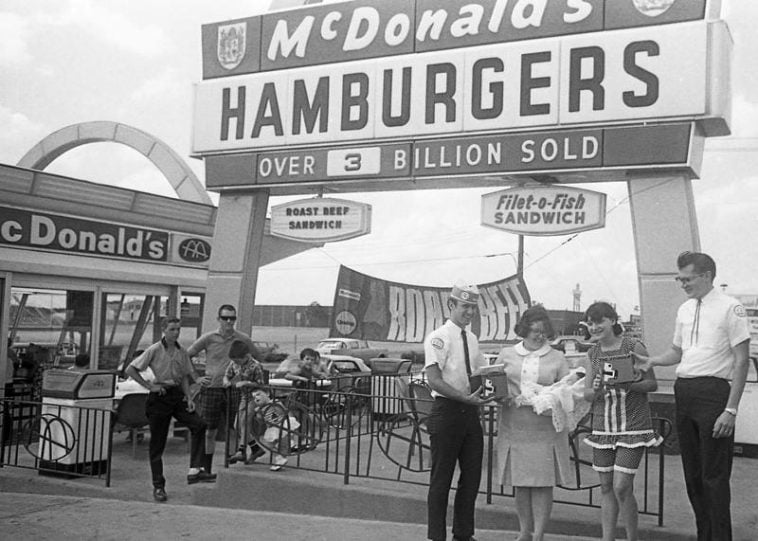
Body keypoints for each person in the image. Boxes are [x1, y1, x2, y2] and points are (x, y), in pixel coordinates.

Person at [635, 251, 750, 541]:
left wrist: (731, 409)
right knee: (693, 475)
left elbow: (741, 360)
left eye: (686, 278)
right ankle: (704, 535)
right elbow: (678, 351)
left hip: (714, 394)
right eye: (679, 279)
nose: (682, 284)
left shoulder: (730, 308)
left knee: (714, 475)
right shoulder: (685, 309)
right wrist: (653, 362)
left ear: (706, 275)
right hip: (684, 391)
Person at [489, 305, 571, 541]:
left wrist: (548, 397)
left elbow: (567, 389)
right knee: (522, 482)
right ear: (524, 329)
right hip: (515, 426)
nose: (539, 335)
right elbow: (493, 382)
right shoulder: (506, 354)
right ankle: (524, 532)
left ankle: (539, 535)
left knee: (543, 483)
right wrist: (499, 395)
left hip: (545, 428)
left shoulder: (557, 357)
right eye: (534, 330)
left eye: (543, 330)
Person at [582, 302, 661, 541]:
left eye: (600, 321)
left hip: (633, 424)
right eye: (591, 322)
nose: (595, 327)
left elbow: (652, 384)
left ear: (613, 321)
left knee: (621, 486)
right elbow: (586, 394)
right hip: (603, 425)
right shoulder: (592, 353)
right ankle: (607, 538)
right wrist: (595, 388)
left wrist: (629, 385)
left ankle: (632, 538)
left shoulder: (632, 346)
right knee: (606, 487)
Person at [423, 282, 496, 541]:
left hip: (469, 413)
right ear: (451, 305)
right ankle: (437, 536)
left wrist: (491, 389)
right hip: (447, 411)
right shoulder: (438, 337)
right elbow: (434, 379)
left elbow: (478, 374)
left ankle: (463, 534)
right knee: (441, 478)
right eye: (464, 306)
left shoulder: (472, 338)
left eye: (473, 307)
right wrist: (465, 398)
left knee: (472, 476)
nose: (469, 312)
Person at [125, 317, 209, 503]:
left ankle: (195, 468)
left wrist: (188, 397)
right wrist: (149, 386)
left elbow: (185, 376)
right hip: (160, 395)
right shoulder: (154, 349)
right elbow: (131, 370)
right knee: (157, 444)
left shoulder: (182, 352)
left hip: (177, 395)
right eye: (172, 329)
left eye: (178, 329)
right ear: (164, 330)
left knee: (199, 424)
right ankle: (158, 486)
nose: (176, 332)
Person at [187, 304, 260, 478]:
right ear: (218, 319)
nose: (229, 321)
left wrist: (248, 379)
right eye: (225, 318)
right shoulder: (208, 338)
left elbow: (257, 356)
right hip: (212, 389)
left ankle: (233, 464)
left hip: (235, 390)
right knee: (209, 430)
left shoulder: (242, 339)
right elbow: (187, 355)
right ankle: (206, 468)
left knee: (236, 426)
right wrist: (196, 377)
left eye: (232, 318)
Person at [223, 340, 267, 465]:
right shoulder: (234, 363)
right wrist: (226, 381)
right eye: (235, 361)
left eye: (238, 360)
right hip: (243, 396)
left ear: (246, 356)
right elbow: (227, 375)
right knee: (238, 425)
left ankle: (241, 451)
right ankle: (255, 448)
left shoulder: (256, 366)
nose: (236, 363)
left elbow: (261, 384)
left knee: (245, 421)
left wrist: (247, 383)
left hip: (255, 396)